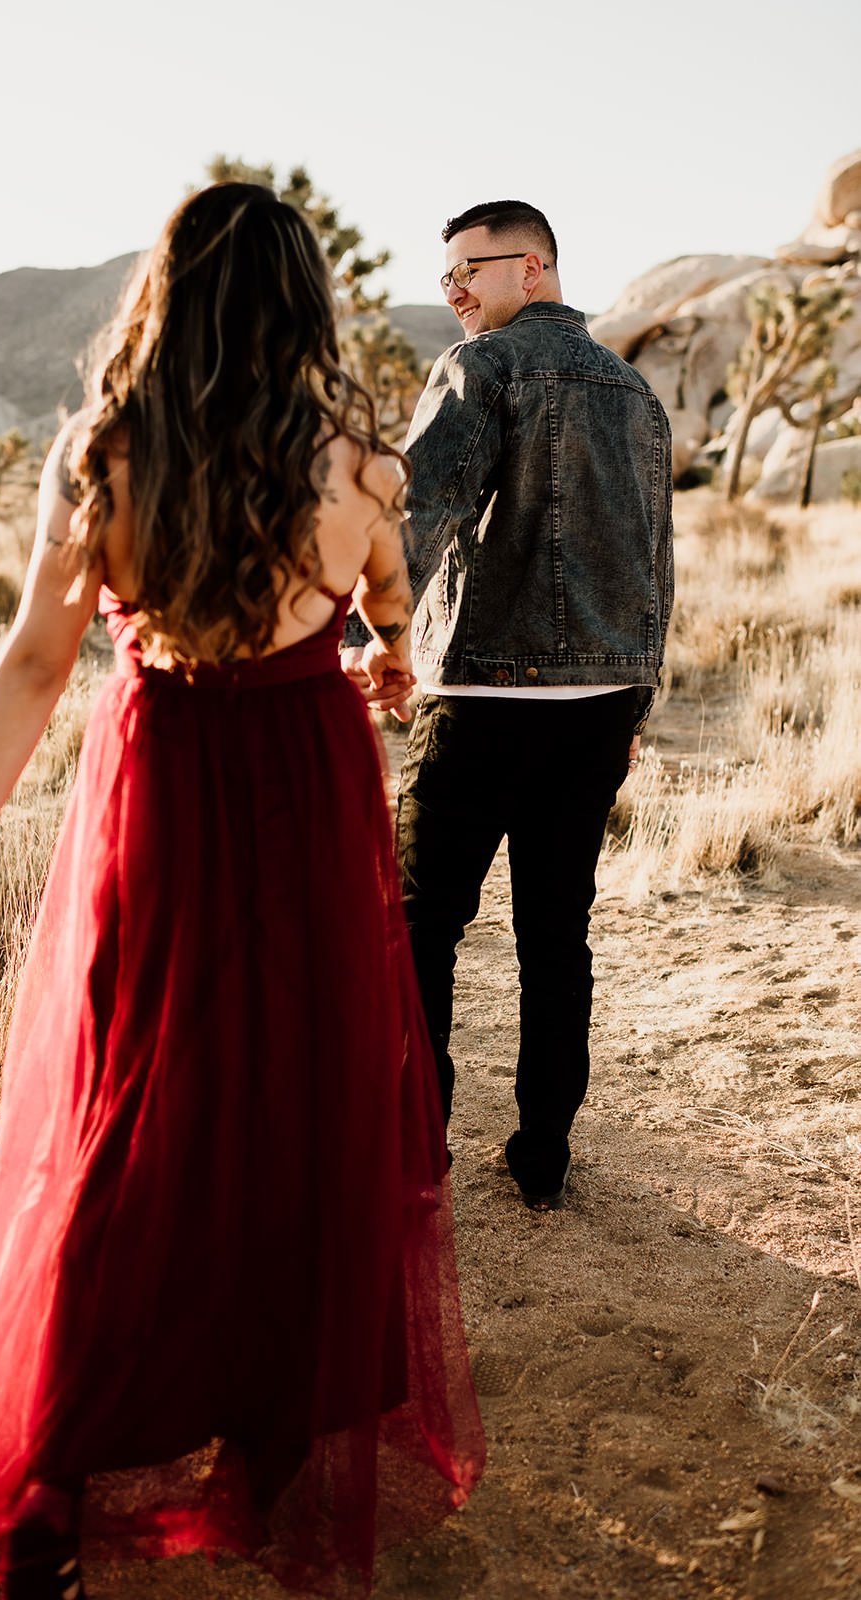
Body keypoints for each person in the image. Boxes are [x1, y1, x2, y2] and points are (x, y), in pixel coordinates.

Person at [0, 183, 484, 1600]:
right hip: (307, 786)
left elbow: (32, 663)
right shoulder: (358, 469)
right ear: (302, 303)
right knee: (300, 1104)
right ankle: (266, 1455)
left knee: (126, 1111)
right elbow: (391, 606)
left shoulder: (102, 458)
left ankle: (57, 1477)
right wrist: (383, 659)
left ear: (166, 296)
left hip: (156, 787)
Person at [346, 200, 674, 1212]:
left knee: (420, 927)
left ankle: (414, 1147)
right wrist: (635, 710)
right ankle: (543, 1152)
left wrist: (380, 643)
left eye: (465, 273)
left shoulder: (477, 369)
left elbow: (420, 514)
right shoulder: (634, 393)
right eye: (444, 279)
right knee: (553, 930)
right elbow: (656, 560)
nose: (451, 295)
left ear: (530, 266)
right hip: (594, 706)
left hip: (477, 694)